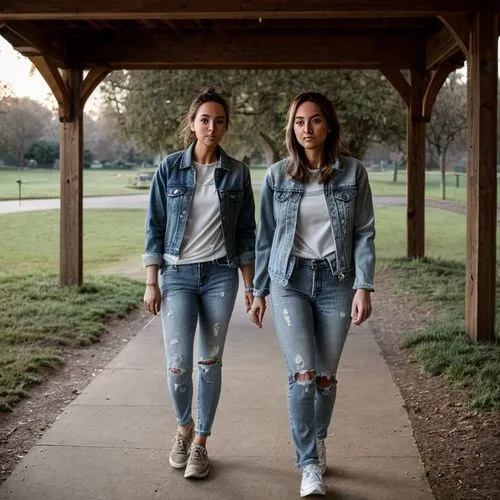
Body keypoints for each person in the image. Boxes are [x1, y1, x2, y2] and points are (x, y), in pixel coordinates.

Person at [249, 92, 375, 497]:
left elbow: (363, 233)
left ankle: (318, 439)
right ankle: (308, 465)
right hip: (290, 281)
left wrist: (363, 286)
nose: (307, 129)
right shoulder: (276, 176)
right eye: (300, 122)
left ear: (329, 125)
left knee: (324, 378)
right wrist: (258, 292)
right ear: (292, 128)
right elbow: (266, 239)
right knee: (302, 375)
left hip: (336, 282)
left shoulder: (353, 173)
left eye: (315, 121)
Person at [143, 86, 256, 479]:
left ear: (226, 126)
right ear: (191, 124)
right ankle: (183, 428)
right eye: (204, 119)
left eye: (219, 120)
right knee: (177, 366)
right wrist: (151, 281)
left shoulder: (238, 173)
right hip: (176, 276)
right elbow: (154, 226)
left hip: (220, 275)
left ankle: (201, 444)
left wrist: (251, 287)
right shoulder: (169, 168)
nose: (211, 126)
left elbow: (245, 233)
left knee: (209, 361)